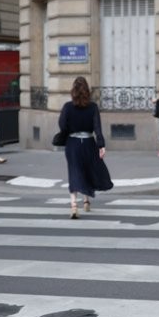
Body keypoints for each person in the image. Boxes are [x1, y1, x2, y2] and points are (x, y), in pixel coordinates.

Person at [58, 76, 110, 219]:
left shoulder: (68, 107)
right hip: (88, 142)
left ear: (73, 90)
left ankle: (74, 205)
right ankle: (86, 201)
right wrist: (101, 145)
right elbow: (97, 128)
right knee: (87, 170)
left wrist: (69, 130)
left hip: (73, 142)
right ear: (87, 90)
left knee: (74, 171)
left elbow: (62, 125)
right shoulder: (92, 107)